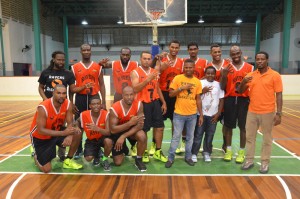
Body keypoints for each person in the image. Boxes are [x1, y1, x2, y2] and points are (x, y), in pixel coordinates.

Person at [238, 51, 283, 174]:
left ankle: (264, 163)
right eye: (257, 59)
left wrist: (279, 113)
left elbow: (279, 95)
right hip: (252, 111)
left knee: (267, 139)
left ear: (267, 60)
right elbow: (240, 91)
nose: (259, 61)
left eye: (262, 59)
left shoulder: (275, 75)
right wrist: (243, 81)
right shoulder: (251, 75)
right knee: (250, 137)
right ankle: (249, 160)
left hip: (268, 112)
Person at [29, 85, 83, 173]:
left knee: (77, 132)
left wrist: (69, 135)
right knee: (46, 170)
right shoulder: (43, 107)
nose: (61, 96)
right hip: (41, 137)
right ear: (53, 93)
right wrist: (64, 133)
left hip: (57, 131)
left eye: (64, 93)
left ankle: (68, 160)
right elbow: (41, 130)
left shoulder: (67, 103)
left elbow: (70, 123)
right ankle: (36, 156)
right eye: (58, 93)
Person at [37, 51, 78, 161]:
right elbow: (40, 87)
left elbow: (71, 90)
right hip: (48, 106)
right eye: (59, 59)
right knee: (45, 127)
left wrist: (70, 102)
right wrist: (46, 100)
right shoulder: (46, 72)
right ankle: (38, 147)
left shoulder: (68, 73)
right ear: (54, 59)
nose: (61, 62)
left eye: (63, 60)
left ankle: (62, 150)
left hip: (62, 106)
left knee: (61, 126)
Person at [100, 47, 139, 156]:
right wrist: (100, 63)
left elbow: (147, 66)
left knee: (132, 120)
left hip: (131, 96)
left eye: (127, 55)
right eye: (123, 54)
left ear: (130, 55)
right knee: (117, 120)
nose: (125, 56)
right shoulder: (114, 64)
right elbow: (101, 66)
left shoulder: (135, 64)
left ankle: (133, 144)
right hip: (118, 94)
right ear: (120, 54)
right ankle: (118, 143)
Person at [165, 59, 203, 168]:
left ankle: (188, 157)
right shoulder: (178, 78)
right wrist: (182, 88)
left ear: (194, 68)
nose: (188, 69)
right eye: (186, 67)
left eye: (190, 67)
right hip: (178, 114)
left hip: (192, 115)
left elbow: (198, 99)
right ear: (183, 68)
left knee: (190, 137)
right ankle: (170, 158)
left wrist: (201, 114)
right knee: (176, 136)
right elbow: (171, 94)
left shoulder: (197, 81)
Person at [131, 51, 167, 163]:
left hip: (155, 102)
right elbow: (135, 89)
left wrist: (163, 102)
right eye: (144, 58)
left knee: (160, 127)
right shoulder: (135, 72)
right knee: (144, 129)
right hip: (143, 104)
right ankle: (144, 151)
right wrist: (147, 79)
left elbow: (157, 88)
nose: (147, 61)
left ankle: (158, 151)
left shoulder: (154, 71)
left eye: (148, 59)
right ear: (140, 59)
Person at [71, 44, 106, 159]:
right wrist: (71, 102)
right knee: (78, 123)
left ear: (91, 51)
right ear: (80, 51)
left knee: (97, 123)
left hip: (94, 97)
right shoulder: (74, 67)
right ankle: (79, 148)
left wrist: (104, 101)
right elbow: (71, 87)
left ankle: (97, 147)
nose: (86, 52)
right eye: (84, 50)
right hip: (80, 97)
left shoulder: (98, 66)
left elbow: (101, 84)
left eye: (88, 50)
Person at [220, 45, 254, 163]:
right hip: (230, 99)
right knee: (228, 127)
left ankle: (241, 152)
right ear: (230, 55)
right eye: (233, 54)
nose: (235, 56)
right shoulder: (226, 68)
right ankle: (228, 151)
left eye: (237, 53)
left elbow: (252, 86)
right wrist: (224, 74)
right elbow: (222, 87)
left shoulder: (250, 67)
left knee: (243, 127)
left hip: (244, 100)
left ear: (241, 53)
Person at [155, 40, 184, 155]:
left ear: (179, 48)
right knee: (158, 122)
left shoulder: (181, 62)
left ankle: (174, 144)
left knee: (175, 121)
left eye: (177, 47)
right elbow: (155, 73)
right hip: (162, 93)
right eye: (172, 47)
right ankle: (154, 144)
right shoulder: (161, 59)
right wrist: (162, 67)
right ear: (169, 47)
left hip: (175, 94)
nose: (174, 49)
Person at [109, 86, 147, 172]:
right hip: (118, 131)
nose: (129, 97)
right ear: (122, 95)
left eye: (131, 95)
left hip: (131, 131)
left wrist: (123, 136)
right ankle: (124, 148)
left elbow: (140, 126)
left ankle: (138, 159)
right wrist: (130, 123)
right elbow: (113, 130)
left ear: (134, 95)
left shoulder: (139, 105)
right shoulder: (115, 107)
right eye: (126, 95)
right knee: (118, 163)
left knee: (142, 136)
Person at [191, 66, 224, 163]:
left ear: (215, 74)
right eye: (208, 73)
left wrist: (218, 113)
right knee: (198, 134)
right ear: (205, 74)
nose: (210, 75)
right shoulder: (200, 83)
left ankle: (207, 152)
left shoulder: (218, 85)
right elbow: (194, 97)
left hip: (213, 115)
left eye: (212, 73)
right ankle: (194, 153)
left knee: (210, 135)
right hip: (200, 114)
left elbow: (221, 100)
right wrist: (202, 91)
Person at [76, 96, 112, 171]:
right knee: (88, 158)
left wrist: (97, 128)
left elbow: (108, 132)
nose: (96, 106)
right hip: (91, 139)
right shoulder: (84, 115)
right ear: (90, 106)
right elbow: (77, 121)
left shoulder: (106, 114)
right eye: (93, 104)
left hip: (102, 138)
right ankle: (98, 154)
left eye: (98, 104)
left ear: (101, 105)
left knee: (108, 142)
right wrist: (76, 127)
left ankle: (105, 158)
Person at [207, 44, 230, 153]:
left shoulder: (228, 64)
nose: (217, 54)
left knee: (226, 125)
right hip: (212, 100)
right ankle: (209, 146)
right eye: (215, 52)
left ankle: (225, 144)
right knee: (210, 125)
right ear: (211, 53)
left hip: (227, 98)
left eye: (219, 52)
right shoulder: (208, 66)